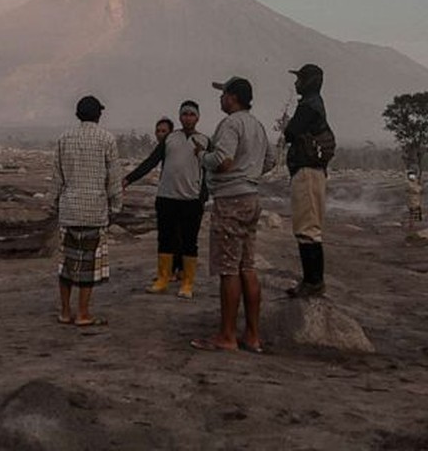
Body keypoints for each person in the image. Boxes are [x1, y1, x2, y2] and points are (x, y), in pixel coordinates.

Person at [191, 77, 275, 353]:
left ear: (232, 97)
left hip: (230, 200)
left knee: (228, 269)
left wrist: (203, 156)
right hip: (251, 197)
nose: (220, 99)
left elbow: (223, 161)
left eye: (223, 94)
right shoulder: (258, 125)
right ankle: (252, 335)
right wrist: (248, 174)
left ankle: (226, 336)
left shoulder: (231, 124)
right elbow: (271, 160)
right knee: (247, 266)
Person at [124, 104, 209, 298]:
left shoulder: (205, 141)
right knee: (165, 239)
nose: (188, 118)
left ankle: (187, 283)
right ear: (180, 118)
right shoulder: (170, 138)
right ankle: (163, 278)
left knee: (189, 242)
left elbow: (209, 171)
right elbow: (151, 161)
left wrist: (203, 197)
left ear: (198, 118)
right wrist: (128, 179)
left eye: (191, 115)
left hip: (191, 200)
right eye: (184, 114)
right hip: (166, 197)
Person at [53, 96, 121, 326]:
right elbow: (114, 179)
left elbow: (57, 177)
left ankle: (65, 311)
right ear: (98, 115)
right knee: (89, 265)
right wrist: (116, 206)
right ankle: (83, 313)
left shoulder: (64, 138)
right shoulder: (107, 139)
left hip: (69, 210)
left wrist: (53, 203)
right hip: (94, 211)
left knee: (66, 263)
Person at [283, 63, 332, 298]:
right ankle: (312, 280)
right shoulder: (315, 104)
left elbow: (290, 132)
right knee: (309, 227)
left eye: (300, 79)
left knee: (307, 229)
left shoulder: (308, 107)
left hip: (307, 172)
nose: (295, 83)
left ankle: (313, 281)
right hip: (313, 172)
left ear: (308, 82)